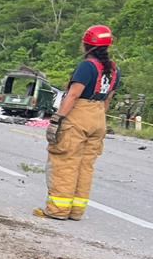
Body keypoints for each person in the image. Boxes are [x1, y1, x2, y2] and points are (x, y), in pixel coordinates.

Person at [36, 25, 120, 221]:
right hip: (98, 117)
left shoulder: (87, 66)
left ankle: (58, 210)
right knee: (85, 166)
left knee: (65, 162)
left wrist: (57, 120)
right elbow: (108, 98)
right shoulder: (115, 70)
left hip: (78, 116)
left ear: (86, 44)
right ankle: (76, 211)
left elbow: (73, 94)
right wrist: (98, 118)